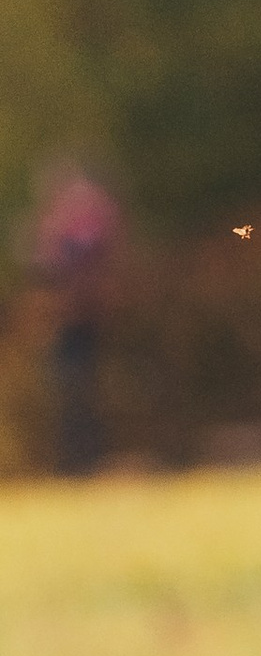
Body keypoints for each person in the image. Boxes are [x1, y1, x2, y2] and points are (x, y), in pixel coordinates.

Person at [25, 159, 123, 478]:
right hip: (73, 319)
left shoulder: (68, 226)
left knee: (75, 385)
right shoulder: (81, 223)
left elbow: (46, 265)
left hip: (78, 318)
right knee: (73, 387)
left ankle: (83, 459)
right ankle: (81, 458)